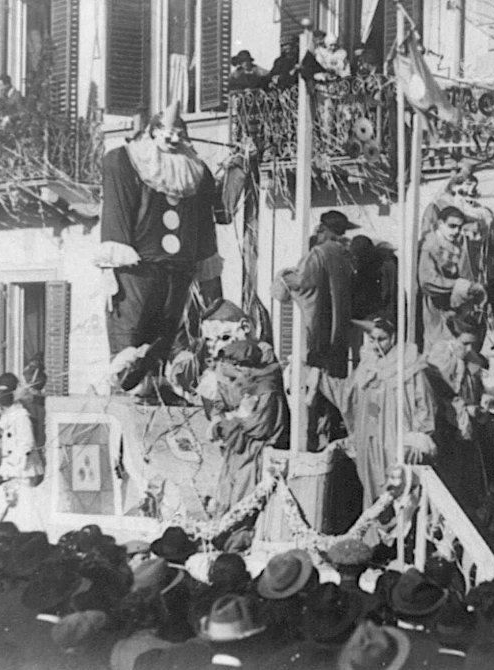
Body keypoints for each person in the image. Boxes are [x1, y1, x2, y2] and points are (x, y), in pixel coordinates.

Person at [95, 100, 224, 393]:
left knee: (171, 333)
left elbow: (205, 222)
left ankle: (165, 383)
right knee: (132, 330)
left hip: (178, 271)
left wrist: (207, 271)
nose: (174, 137)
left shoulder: (196, 171)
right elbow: (117, 211)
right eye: (168, 131)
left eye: (180, 131)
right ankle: (128, 384)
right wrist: (110, 266)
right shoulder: (126, 160)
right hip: (138, 268)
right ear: (152, 131)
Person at [312, 317, 441, 508]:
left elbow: (426, 406)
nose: (376, 345)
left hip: (394, 438)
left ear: (394, 338)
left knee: (396, 487)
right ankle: (375, 533)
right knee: (371, 485)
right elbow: (347, 393)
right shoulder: (367, 365)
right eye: (372, 339)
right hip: (369, 438)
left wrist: (416, 439)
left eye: (382, 339)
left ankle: (398, 534)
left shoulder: (409, 365)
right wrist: (318, 378)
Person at [211, 341, 288, 513]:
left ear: (240, 366)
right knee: (227, 493)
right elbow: (223, 406)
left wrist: (232, 420)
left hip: (255, 453)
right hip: (240, 450)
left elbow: (259, 427)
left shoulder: (266, 388)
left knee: (242, 499)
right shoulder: (244, 384)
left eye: (227, 363)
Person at [281, 210, 356, 379]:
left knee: (317, 375)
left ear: (325, 229)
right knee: (336, 375)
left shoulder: (319, 253)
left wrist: (284, 276)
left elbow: (302, 282)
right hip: (341, 326)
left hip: (321, 322)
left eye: (320, 230)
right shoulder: (345, 254)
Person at [417, 205, 486, 353]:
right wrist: (459, 285)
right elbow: (427, 281)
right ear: (440, 224)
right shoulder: (430, 245)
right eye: (452, 226)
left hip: (456, 310)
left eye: (459, 227)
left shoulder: (456, 244)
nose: (456, 231)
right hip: (436, 308)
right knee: (439, 352)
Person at [0, 373, 45, 531]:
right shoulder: (8, 415)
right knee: (12, 503)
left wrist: (15, 463)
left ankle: (27, 532)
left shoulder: (21, 416)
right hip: (12, 467)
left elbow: (27, 443)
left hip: (23, 468)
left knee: (24, 504)